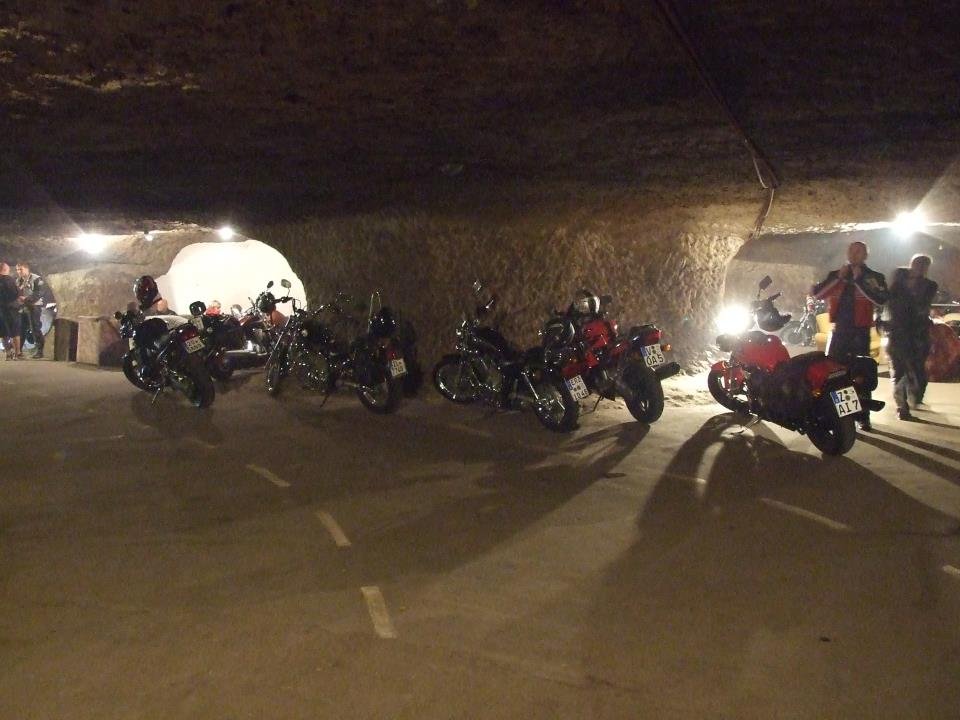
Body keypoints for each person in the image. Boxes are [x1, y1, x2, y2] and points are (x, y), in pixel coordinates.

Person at [811, 241, 888, 431]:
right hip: (840, 331)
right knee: (837, 373)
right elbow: (818, 294)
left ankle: (863, 416)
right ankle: (845, 416)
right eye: (851, 251)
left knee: (861, 373)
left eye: (859, 251)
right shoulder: (837, 275)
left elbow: (881, 299)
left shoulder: (873, 277)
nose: (854, 254)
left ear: (866, 255)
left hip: (861, 332)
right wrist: (839, 277)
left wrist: (859, 280)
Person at [886, 254, 938, 419]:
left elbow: (921, 305)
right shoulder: (899, 281)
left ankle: (915, 396)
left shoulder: (929, 285)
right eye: (918, 264)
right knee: (899, 369)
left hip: (918, 333)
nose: (920, 268)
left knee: (917, 369)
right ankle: (902, 406)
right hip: (899, 332)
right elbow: (890, 302)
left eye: (924, 266)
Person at [16, 261, 51, 359]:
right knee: (21, 329)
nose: (19, 271)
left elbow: (39, 293)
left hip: (33, 306)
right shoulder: (18, 280)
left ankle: (40, 351)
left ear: (27, 269)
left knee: (35, 328)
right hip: (22, 307)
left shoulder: (36, 279)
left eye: (21, 269)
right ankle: (18, 351)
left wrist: (26, 299)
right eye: (17, 269)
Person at [0, 261, 23, 360]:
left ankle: (8, 354)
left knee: (4, 333)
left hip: (1, 310)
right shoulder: (10, 280)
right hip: (12, 309)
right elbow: (15, 293)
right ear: (5, 269)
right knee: (15, 332)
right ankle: (17, 353)